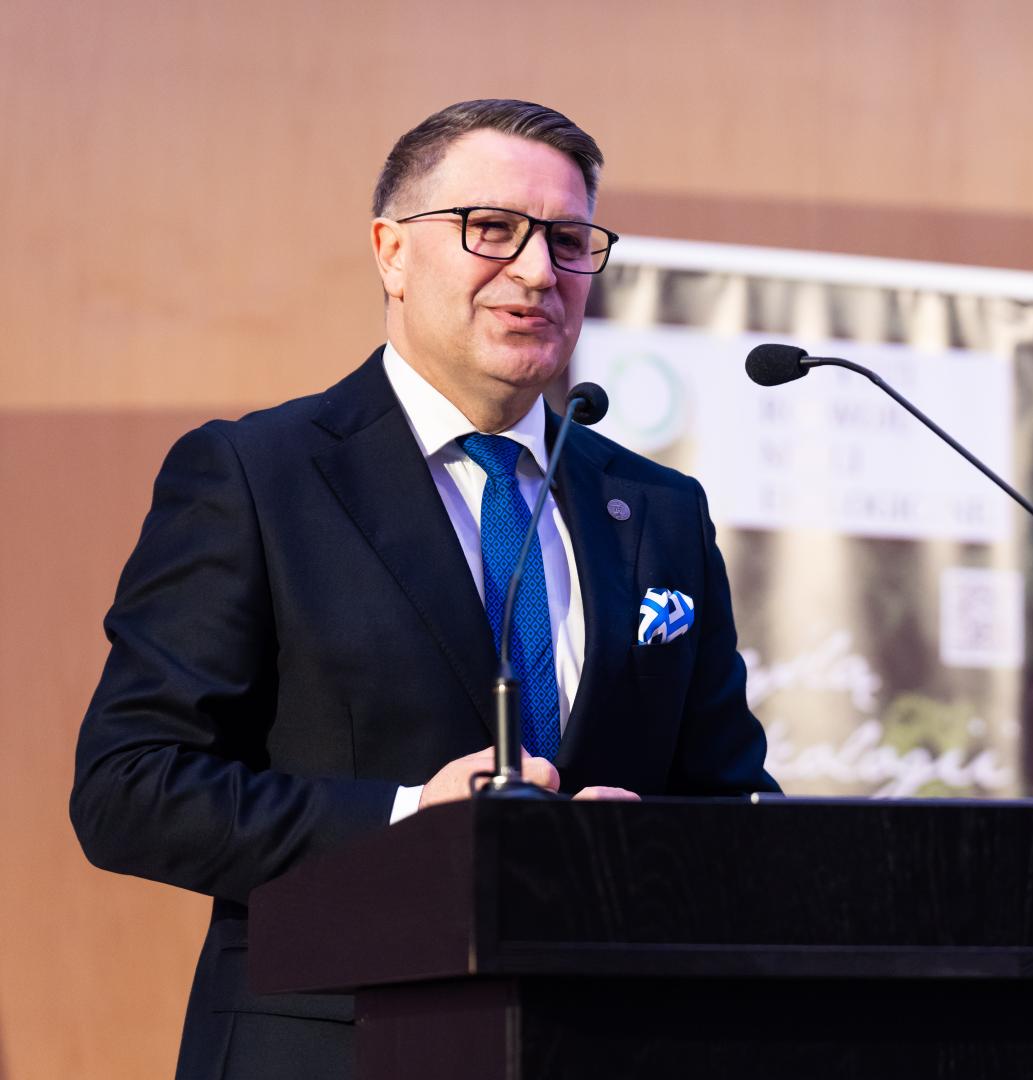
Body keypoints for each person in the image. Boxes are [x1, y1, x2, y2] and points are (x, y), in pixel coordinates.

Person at [69, 99, 778, 1080]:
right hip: (337, 1047)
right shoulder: (257, 477)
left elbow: (734, 798)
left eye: (569, 241)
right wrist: (408, 822)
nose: (537, 271)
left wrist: (659, 844)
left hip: (607, 1044)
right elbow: (131, 789)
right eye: (492, 228)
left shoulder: (658, 508)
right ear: (391, 252)